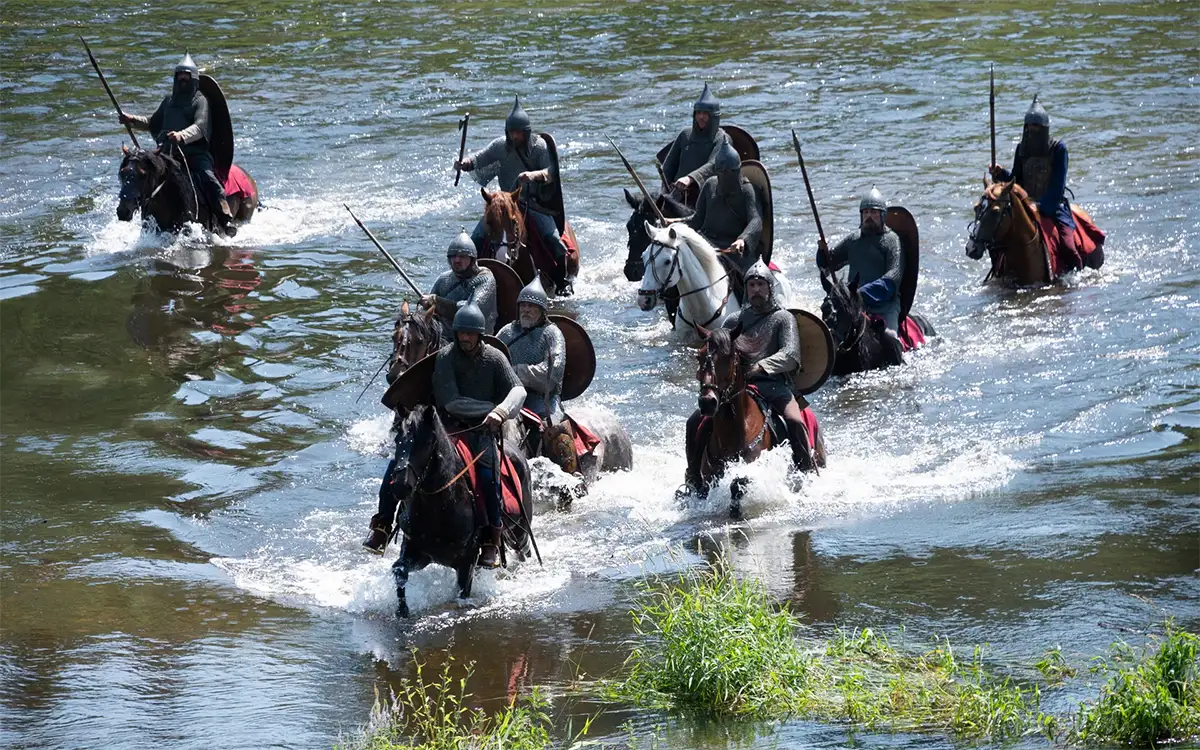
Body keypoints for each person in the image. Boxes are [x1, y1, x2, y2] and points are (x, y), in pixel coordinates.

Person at [362, 304, 525, 567]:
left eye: (469, 334)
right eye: (461, 333)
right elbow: (452, 403)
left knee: (488, 475)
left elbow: (518, 391)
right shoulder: (447, 356)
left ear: (479, 335)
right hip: (447, 428)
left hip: (482, 431)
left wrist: (502, 411)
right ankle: (382, 524)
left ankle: (489, 540)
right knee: (399, 465)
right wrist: (491, 408)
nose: (464, 338)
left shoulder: (495, 358)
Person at [683, 260, 813, 489]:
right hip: (735, 387)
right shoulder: (733, 321)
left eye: (760, 284)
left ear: (770, 288)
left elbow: (790, 355)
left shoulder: (783, 318)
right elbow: (717, 354)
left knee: (793, 420)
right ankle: (693, 480)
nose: (755, 289)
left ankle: (805, 474)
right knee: (695, 421)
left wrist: (761, 366)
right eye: (751, 285)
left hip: (774, 385)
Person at [455, 96, 570, 290]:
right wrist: (466, 163)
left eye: (518, 132)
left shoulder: (539, 147)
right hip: (503, 204)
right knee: (475, 239)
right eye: (511, 132)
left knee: (553, 240)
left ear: (526, 132)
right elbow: (480, 157)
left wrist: (533, 175)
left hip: (533, 204)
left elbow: (551, 173)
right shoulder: (501, 146)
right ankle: (468, 281)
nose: (515, 136)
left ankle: (562, 282)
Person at [119, 53, 235, 234]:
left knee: (210, 181)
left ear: (193, 79)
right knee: (147, 179)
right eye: (179, 76)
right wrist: (132, 119)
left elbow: (200, 127)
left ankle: (224, 219)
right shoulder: (168, 102)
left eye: (186, 77)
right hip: (168, 155)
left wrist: (181, 136)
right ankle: (142, 217)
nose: (182, 80)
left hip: (195, 156)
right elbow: (152, 122)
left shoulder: (200, 101)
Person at [989, 95, 1077, 257]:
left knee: (1068, 246)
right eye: (1029, 126)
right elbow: (1016, 181)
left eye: (1036, 126)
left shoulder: (1058, 149)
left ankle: (1075, 279)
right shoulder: (1022, 149)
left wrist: (1038, 206)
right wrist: (1001, 174)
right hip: (1025, 206)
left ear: (1044, 128)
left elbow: (1057, 187)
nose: (1033, 129)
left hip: (1052, 207)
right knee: (996, 239)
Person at [816, 187, 904, 332]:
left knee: (890, 338)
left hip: (884, 306)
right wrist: (822, 252)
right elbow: (827, 266)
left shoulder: (892, 240)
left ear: (882, 215)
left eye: (874, 212)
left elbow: (891, 281)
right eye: (865, 212)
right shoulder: (853, 240)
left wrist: (858, 294)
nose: (869, 216)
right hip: (853, 305)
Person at [495, 277, 566, 456]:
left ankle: (571, 479)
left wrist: (515, 371)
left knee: (556, 435)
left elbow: (552, 374)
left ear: (542, 311)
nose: (526, 310)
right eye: (523, 305)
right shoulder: (506, 332)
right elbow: (492, 361)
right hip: (509, 397)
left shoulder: (552, 334)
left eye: (531, 306)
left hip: (543, 401)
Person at [660, 83, 732, 206]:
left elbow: (713, 165)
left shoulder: (722, 139)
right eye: (698, 113)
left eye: (705, 113)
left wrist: (690, 178)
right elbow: (668, 166)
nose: (701, 117)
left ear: (713, 116)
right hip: (678, 197)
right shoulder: (685, 135)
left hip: (706, 199)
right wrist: (664, 193)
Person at [421, 229, 498, 339]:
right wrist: (426, 305)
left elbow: (470, 309)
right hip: (443, 338)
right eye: (453, 256)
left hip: (474, 339)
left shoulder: (484, 277)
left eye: (462, 256)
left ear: (471, 259)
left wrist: (436, 301)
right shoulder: (443, 279)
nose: (456, 260)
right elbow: (428, 312)